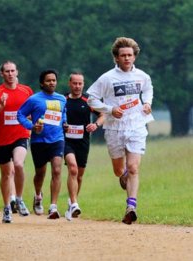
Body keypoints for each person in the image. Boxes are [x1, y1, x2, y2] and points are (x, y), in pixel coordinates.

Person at [87, 37, 154, 225]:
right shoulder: (107, 78)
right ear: (116, 58)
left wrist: (147, 103)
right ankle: (123, 176)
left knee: (134, 167)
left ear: (134, 57)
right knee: (119, 171)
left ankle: (131, 206)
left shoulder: (142, 76)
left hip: (137, 125)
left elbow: (148, 90)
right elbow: (91, 98)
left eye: (130, 55)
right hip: (114, 128)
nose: (126, 58)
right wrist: (109, 110)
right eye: (123, 55)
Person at [0, 61, 33, 223]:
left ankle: (19, 199)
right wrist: (1, 106)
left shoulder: (26, 91)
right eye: (7, 71)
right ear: (2, 74)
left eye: (13, 71)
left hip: (21, 135)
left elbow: (32, 111)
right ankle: (7, 207)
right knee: (6, 174)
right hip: (2, 139)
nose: (10, 74)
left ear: (17, 72)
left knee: (19, 165)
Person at [17, 69, 67, 219]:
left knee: (57, 170)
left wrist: (64, 122)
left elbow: (63, 113)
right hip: (39, 141)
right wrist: (31, 126)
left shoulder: (62, 99)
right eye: (48, 80)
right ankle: (38, 196)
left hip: (57, 139)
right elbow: (20, 114)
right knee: (40, 173)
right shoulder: (34, 99)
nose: (52, 83)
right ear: (41, 83)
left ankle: (53, 207)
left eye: (54, 80)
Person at [63, 72, 105, 221]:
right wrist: (62, 125)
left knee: (79, 175)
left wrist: (95, 125)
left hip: (83, 141)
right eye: (74, 83)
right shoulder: (63, 100)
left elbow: (103, 114)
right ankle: (74, 203)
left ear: (83, 84)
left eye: (80, 83)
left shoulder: (88, 101)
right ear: (69, 84)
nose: (77, 86)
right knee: (72, 168)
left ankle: (72, 202)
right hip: (66, 141)